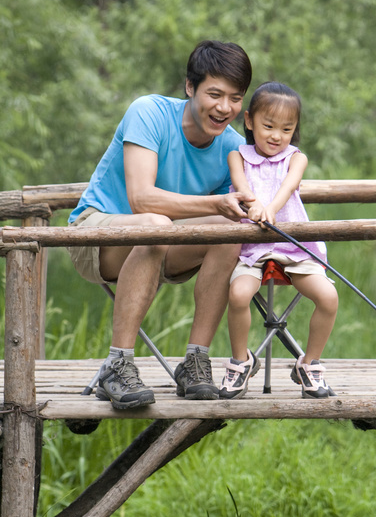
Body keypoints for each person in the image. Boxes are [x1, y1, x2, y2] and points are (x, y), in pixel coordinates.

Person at [67, 40, 254, 409]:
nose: (224, 108)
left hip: (165, 244)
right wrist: (215, 202)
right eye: (214, 94)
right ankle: (117, 364)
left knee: (228, 232)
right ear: (190, 87)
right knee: (155, 223)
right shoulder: (148, 112)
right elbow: (141, 198)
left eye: (235, 98)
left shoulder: (233, 145)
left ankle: (196, 361)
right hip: (97, 233)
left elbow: (227, 212)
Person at [221, 81, 338, 400]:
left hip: (293, 244)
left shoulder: (296, 158)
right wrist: (253, 204)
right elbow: (242, 187)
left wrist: (270, 208)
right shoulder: (237, 156)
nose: (276, 136)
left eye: (286, 129)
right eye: (268, 126)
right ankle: (241, 361)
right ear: (249, 121)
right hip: (252, 247)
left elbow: (288, 187)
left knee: (328, 298)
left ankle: (309, 364)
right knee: (239, 295)